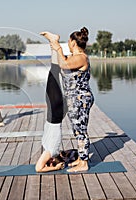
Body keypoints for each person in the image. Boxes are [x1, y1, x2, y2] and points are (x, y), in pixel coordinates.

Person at [40, 27, 94, 172]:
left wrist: (57, 46)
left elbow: (63, 64)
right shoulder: (73, 56)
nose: (68, 44)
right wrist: (54, 46)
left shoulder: (81, 57)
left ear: (73, 43)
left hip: (80, 98)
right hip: (73, 99)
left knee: (80, 130)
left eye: (69, 41)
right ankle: (81, 158)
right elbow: (60, 63)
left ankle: (84, 163)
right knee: (77, 131)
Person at [35, 34, 67, 172]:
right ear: (52, 161)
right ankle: (54, 42)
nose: (44, 163)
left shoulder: (50, 149)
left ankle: (53, 43)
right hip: (55, 114)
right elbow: (38, 169)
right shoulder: (52, 152)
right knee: (53, 74)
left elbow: (40, 166)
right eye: (49, 164)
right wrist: (56, 167)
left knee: (53, 74)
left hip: (54, 113)